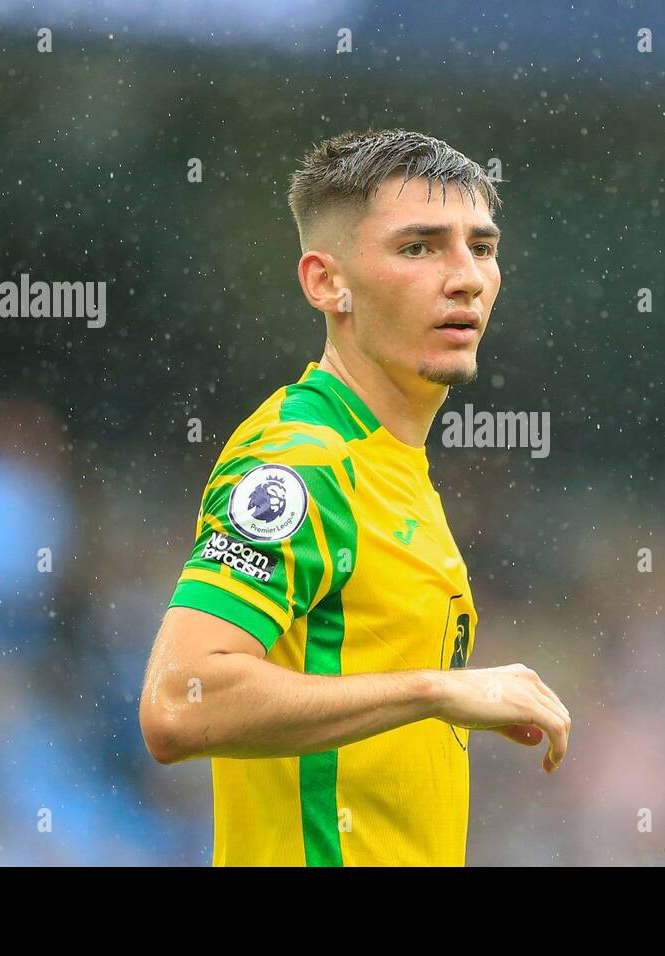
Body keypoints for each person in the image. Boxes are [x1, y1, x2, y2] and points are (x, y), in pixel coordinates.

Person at [139, 129, 570, 866]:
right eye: (419, 248)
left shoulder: (390, 461)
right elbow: (181, 702)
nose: (466, 277)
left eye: (483, 247)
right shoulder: (302, 461)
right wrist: (438, 690)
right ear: (324, 282)